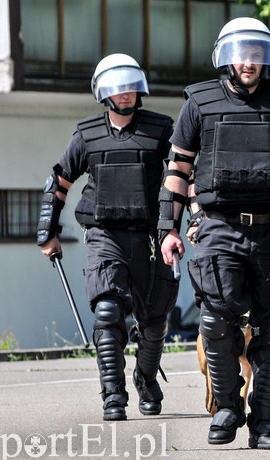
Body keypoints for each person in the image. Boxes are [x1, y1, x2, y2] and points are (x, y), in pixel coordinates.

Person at [158, 17, 270, 448]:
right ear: (226, 57)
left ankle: (264, 421)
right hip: (218, 228)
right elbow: (178, 170)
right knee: (216, 322)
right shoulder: (199, 102)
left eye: (257, 55)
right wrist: (168, 228)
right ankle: (225, 408)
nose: (249, 63)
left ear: (267, 59)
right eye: (242, 54)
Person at [37, 53, 178, 420]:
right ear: (103, 93)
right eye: (118, 88)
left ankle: (145, 378)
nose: (126, 94)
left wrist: (188, 221)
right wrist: (47, 233)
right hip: (104, 235)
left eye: (131, 86)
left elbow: (183, 175)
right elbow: (59, 183)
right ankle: (113, 396)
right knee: (107, 311)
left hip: (150, 235)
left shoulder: (160, 129)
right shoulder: (86, 134)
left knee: (154, 321)